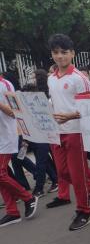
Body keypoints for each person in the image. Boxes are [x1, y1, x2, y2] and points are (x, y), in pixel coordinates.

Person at [46, 34, 90, 230]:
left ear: (72, 53)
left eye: (64, 52)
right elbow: (53, 103)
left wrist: (71, 116)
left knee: (77, 174)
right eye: (56, 53)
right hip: (57, 132)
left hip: (76, 131)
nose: (60, 57)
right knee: (63, 173)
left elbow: (88, 108)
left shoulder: (79, 78)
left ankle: (84, 211)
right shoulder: (51, 78)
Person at [0, 75, 39, 227]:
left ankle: (28, 198)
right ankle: (12, 212)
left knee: (1, 173)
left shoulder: (5, 84)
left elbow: (14, 111)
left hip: (6, 136)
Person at [20, 69, 59, 197]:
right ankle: (55, 179)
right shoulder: (29, 103)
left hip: (43, 135)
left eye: (33, 76)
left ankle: (39, 188)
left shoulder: (41, 100)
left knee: (41, 161)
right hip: (35, 136)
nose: (31, 78)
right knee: (44, 160)